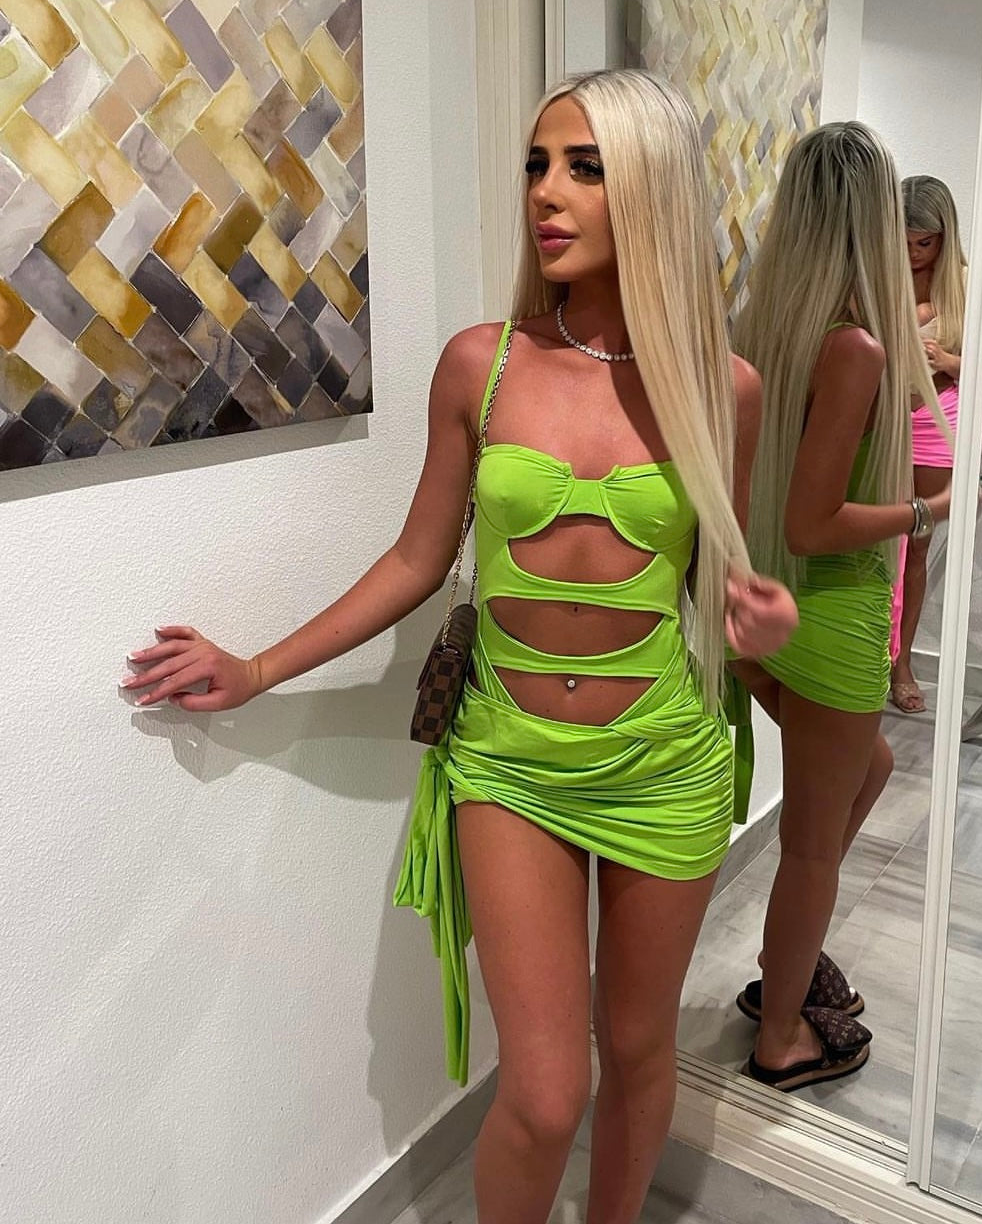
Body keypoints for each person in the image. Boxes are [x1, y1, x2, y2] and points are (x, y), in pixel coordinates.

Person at [122, 68, 796, 1224]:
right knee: (544, 1091)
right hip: (508, 761)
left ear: (653, 188)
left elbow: (724, 586)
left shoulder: (721, 388)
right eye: (537, 164)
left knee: (641, 1050)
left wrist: (762, 628)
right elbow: (415, 559)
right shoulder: (482, 363)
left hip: (663, 759)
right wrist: (257, 666)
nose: (546, 191)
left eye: (584, 167)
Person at [727, 122, 950, 1092]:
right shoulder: (853, 346)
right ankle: (781, 1033)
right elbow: (817, 523)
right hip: (833, 615)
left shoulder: (764, 328)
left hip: (768, 611)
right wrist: (929, 508)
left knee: (874, 768)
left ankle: (785, 961)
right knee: (811, 850)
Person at [889, 175, 966, 714]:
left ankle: (903, 662)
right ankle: (874, 652)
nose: (914, 253)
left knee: (917, 543)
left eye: (925, 242)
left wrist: (949, 360)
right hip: (885, 418)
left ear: (944, 236)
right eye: (905, 240)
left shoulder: (963, 284)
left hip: (938, 418)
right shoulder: (879, 273)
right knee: (877, 543)